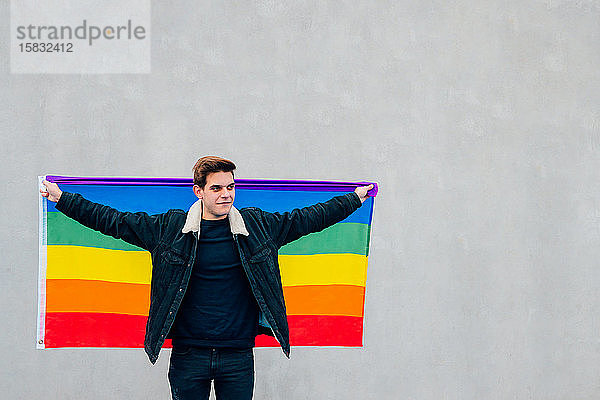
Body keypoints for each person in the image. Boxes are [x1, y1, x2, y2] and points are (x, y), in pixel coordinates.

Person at [40, 156, 373, 400]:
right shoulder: (169, 229)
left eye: (230, 187)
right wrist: (62, 199)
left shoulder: (258, 227)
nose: (226, 195)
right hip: (189, 355)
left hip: (238, 355)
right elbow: (112, 220)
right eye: (216, 188)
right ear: (198, 191)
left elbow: (309, 218)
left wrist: (355, 199)